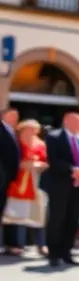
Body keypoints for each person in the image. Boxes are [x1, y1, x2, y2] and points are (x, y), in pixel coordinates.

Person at [40, 112, 79, 267]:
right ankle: (53, 254)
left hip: (78, 186)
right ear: (65, 121)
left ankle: (66, 253)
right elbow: (53, 159)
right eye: (74, 121)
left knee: (72, 219)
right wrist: (72, 169)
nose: (77, 125)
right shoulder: (54, 137)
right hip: (59, 184)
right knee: (56, 219)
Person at [1, 119, 48, 255]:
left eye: (34, 131)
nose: (31, 133)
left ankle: (41, 244)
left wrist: (37, 165)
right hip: (18, 183)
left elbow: (45, 162)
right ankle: (17, 244)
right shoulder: (16, 143)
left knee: (38, 215)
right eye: (28, 130)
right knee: (16, 216)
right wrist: (24, 165)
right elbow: (12, 160)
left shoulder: (40, 144)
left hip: (35, 183)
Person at [0, 108, 22, 254]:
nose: (14, 118)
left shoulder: (13, 132)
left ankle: (9, 244)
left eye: (16, 116)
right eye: (11, 115)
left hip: (8, 180)